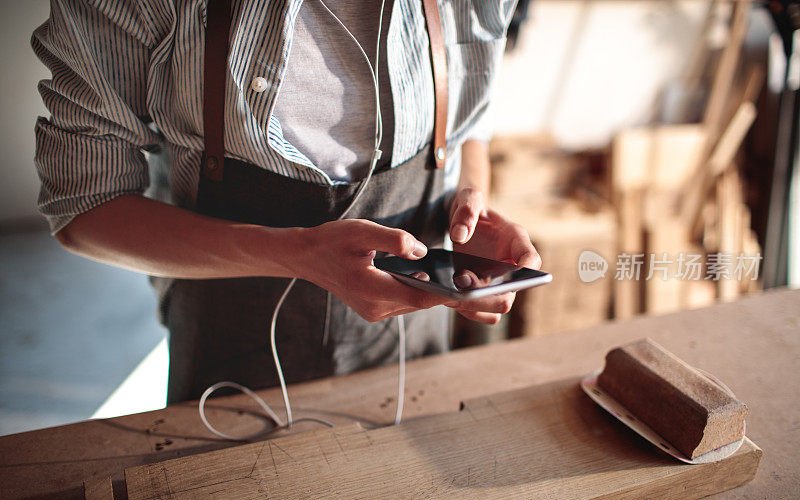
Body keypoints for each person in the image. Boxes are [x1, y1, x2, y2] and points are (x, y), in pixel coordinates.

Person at [32, 0, 541, 404]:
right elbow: (85, 205)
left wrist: (473, 204)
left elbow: (471, 130)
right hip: (230, 363)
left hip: (415, 352)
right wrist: (297, 254)